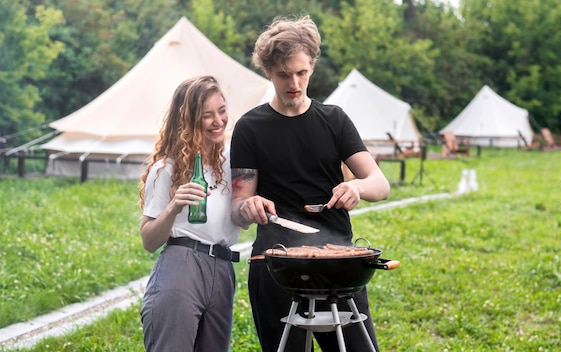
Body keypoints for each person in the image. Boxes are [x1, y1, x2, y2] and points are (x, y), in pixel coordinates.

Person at [230, 15, 391, 352]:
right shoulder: (250, 127)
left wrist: (357, 188)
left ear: (312, 67)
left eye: (301, 72)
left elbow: (380, 184)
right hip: (276, 265)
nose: (294, 82)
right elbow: (238, 206)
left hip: (339, 266)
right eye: (284, 74)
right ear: (268, 72)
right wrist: (250, 206)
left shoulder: (334, 120)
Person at [138, 75, 241, 352]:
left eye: (221, 111)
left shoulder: (231, 161)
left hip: (223, 269)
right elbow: (148, 240)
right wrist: (173, 207)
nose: (218, 121)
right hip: (182, 265)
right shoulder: (166, 169)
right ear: (189, 121)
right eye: (207, 115)